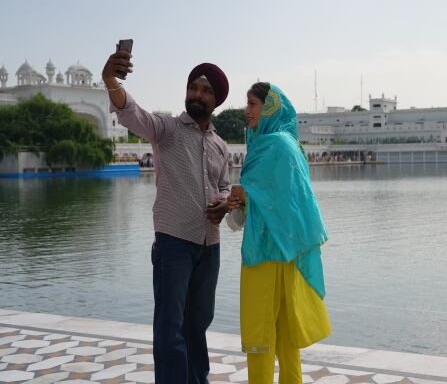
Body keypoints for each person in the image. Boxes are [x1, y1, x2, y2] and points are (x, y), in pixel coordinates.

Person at [102, 49, 231, 384]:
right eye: (193, 88)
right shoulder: (168, 130)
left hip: (209, 245)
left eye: (205, 90)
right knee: (170, 330)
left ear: (216, 100)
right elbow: (133, 114)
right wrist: (111, 81)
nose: (197, 95)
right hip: (174, 244)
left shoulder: (219, 144)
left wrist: (224, 202)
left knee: (198, 324)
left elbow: (224, 185)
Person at [226, 82, 331, 383]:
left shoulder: (275, 145)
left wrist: (246, 195)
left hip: (266, 253)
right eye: (246, 104)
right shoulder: (286, 143)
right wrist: (245, 197)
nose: (247, 111)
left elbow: (284, 196)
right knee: (286, 335)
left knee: (261, 333)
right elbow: (285, 197)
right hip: (288, 250)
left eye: (253, 104)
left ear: (270, 107)